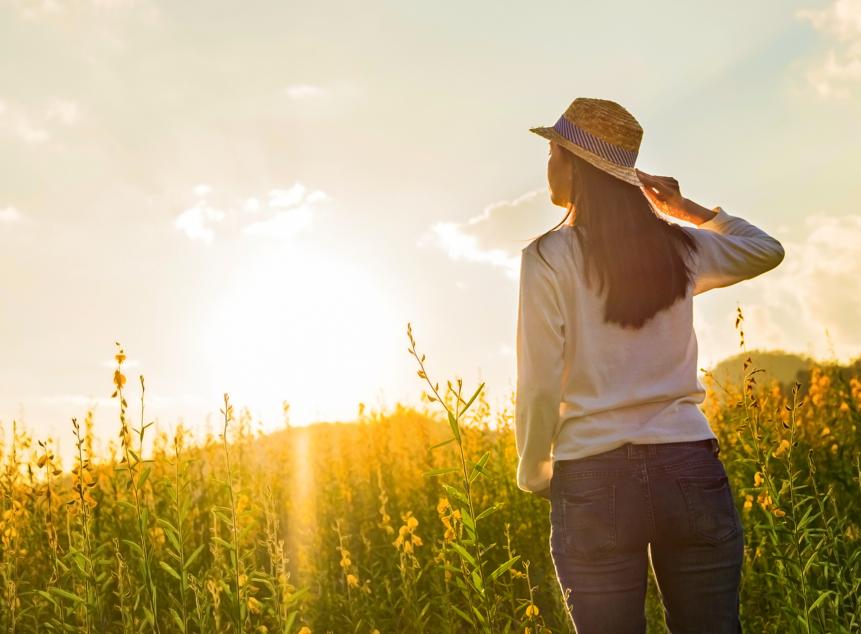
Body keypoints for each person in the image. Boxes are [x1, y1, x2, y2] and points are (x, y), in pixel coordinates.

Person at [515, 97, 785, 633]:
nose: (548, 164)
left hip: (593, 475)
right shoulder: (681, 247)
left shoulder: (546, 257)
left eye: (553, 151)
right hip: (689, 465)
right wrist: (690, 212)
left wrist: (533, 469)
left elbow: (539, 381)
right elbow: (765, 249)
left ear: (575, 165)